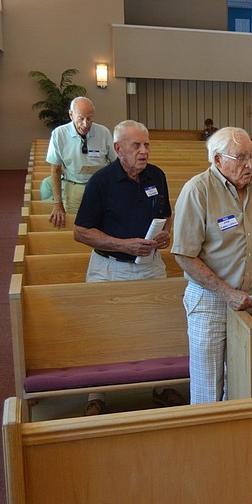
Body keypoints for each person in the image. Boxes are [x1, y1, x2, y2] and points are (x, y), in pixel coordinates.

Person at [172, 127, 252, 404]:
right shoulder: (198, 190)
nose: (250, 165)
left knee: (246, 384)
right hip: (210, 302)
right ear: (218, 160)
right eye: (241, 158)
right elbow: (184, 255)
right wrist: (226, 293)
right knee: (208, 390)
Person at [73, 120, 182, 414]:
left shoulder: (156, 176)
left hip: (149, 264)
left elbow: (166, 214)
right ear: (118, 148)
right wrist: (123, 245)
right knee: (104, 329)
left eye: (146, 145)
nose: (144, 152)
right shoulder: (102, 182)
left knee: (157, 326)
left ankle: (160, 386)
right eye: (136, 146)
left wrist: (165, 234)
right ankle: (97, 395)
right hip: (110, 267)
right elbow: (81, 232)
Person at [46, 96, 118, 227]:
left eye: (89, 118)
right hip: (74, 186)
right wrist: (58, 204)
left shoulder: (103, 132)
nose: (85, 124)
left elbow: (115, 163)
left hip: (100, 187)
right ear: (71, 115)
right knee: (77, 227)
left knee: (103, 225)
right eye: (81, 118)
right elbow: (55, 170)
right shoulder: (59, 134)